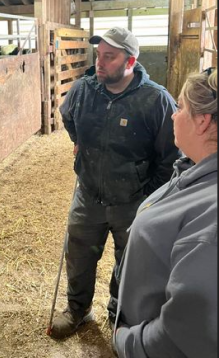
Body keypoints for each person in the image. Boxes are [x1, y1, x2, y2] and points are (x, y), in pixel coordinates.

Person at [50, 27, 180, 339]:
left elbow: (171, 154)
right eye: (99, 55)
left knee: (130, 262)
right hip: (89, 193)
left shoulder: (155, 100)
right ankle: (78, 309)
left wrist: (150, 196)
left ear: (130, 60)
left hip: (133, 201)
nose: (100, 62)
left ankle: (118, 313)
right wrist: (80, 142)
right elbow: (67, 116)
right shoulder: (84, 90)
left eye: (110, 57)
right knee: (79, 255)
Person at [114, 68, 217, 358]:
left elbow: (183, 336)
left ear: (202, 121)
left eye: (181, 107)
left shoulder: (211, 219)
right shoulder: (192, 169)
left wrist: (127, 341)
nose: (174, 114)